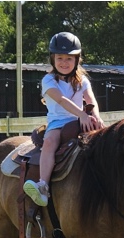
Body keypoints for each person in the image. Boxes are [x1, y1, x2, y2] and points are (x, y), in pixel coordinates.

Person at [23, 32, 105, 206]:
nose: (64, 62)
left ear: (77, 59)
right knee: (50, 142)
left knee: (106, 141)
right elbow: (61, 99)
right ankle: (43, 186)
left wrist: (96, 116)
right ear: (53, 59)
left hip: (80, 120)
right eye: (60, 58)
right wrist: (81, 114)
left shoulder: (82, 80)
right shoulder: (48, 80)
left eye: (69, 58)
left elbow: (91, 99)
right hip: (58, 123)